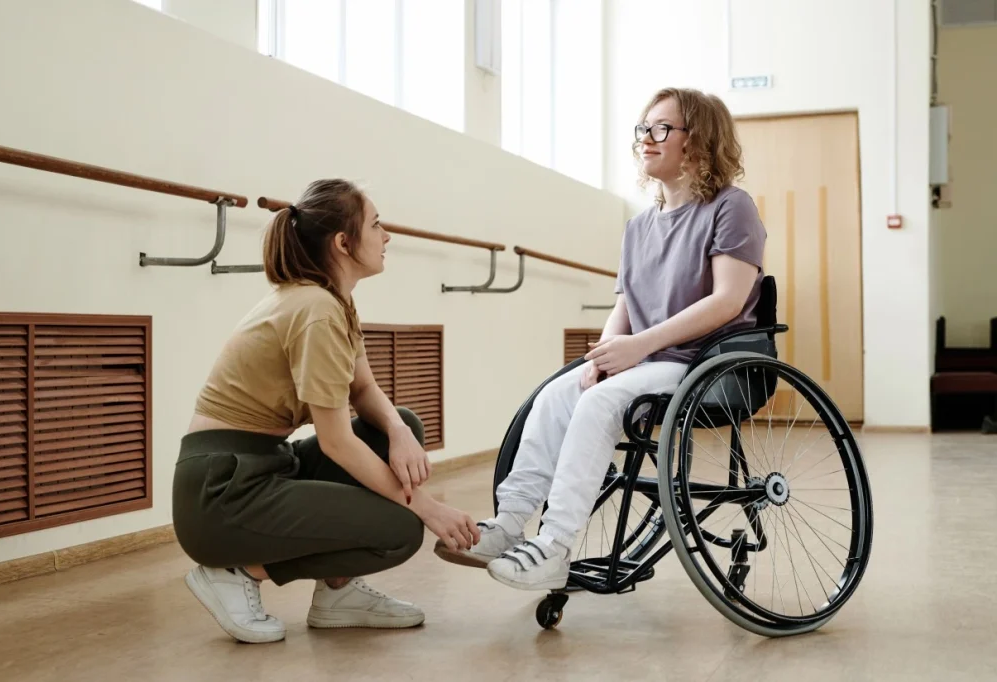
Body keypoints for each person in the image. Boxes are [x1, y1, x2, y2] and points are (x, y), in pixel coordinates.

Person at [435, 87, 767, 590]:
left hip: (707, 359)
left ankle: (554, 546)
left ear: (697, 140)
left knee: (600, 403)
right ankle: (507, 525)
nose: (646, 140)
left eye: (661, 129)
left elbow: (727, 300)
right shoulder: (637, 227)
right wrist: (603, 356)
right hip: (650, 360)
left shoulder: (730, 207)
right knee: (556, 395)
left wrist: (635, 349)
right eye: (643, 129)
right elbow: (626, 306)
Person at [172, 179, 480, 643]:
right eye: (376, 225)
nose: (387, 236)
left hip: (262, 465)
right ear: (343, 242)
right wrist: (429, 508)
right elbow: (337, 443)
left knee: (404, 424)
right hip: (221, 492)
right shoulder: (316, 309)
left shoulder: (332, 300)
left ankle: (337, 594)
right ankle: (238, 573)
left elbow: (365, 389)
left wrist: (397, 431)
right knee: (399, 528)